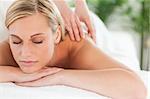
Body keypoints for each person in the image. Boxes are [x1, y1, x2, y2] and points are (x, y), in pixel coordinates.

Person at [0, 0, 146, 99]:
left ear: (56, 36)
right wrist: (17, 74)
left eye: (37, 41)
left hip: (83, 25)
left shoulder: (78, 48)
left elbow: (137, 89)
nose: (25, 53)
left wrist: (61, 76)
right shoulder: (13, 43)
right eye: (16, 41)